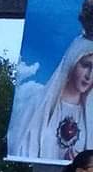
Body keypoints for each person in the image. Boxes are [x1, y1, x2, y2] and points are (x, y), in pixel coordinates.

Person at [8, 34, 93, 162]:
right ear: (72, 62)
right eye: (86, 65)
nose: (89, 75)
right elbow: (19, 149)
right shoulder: (38, 104)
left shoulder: (89, 116)